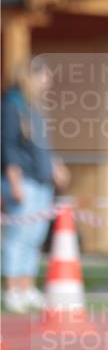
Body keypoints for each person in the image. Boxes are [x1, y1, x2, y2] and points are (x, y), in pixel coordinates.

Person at [1, 60, 68, 313]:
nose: (47, 82)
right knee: (18, 236)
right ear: (30, 77)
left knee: (35, 237)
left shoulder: (35, 108)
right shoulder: (11, 105)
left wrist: (55, 166)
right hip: (23, 180)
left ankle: (27, 286)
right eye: (43, 77)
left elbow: (42, 146)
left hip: (42, 181)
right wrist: (14, 181)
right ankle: (12, 289)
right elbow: (8, 147)